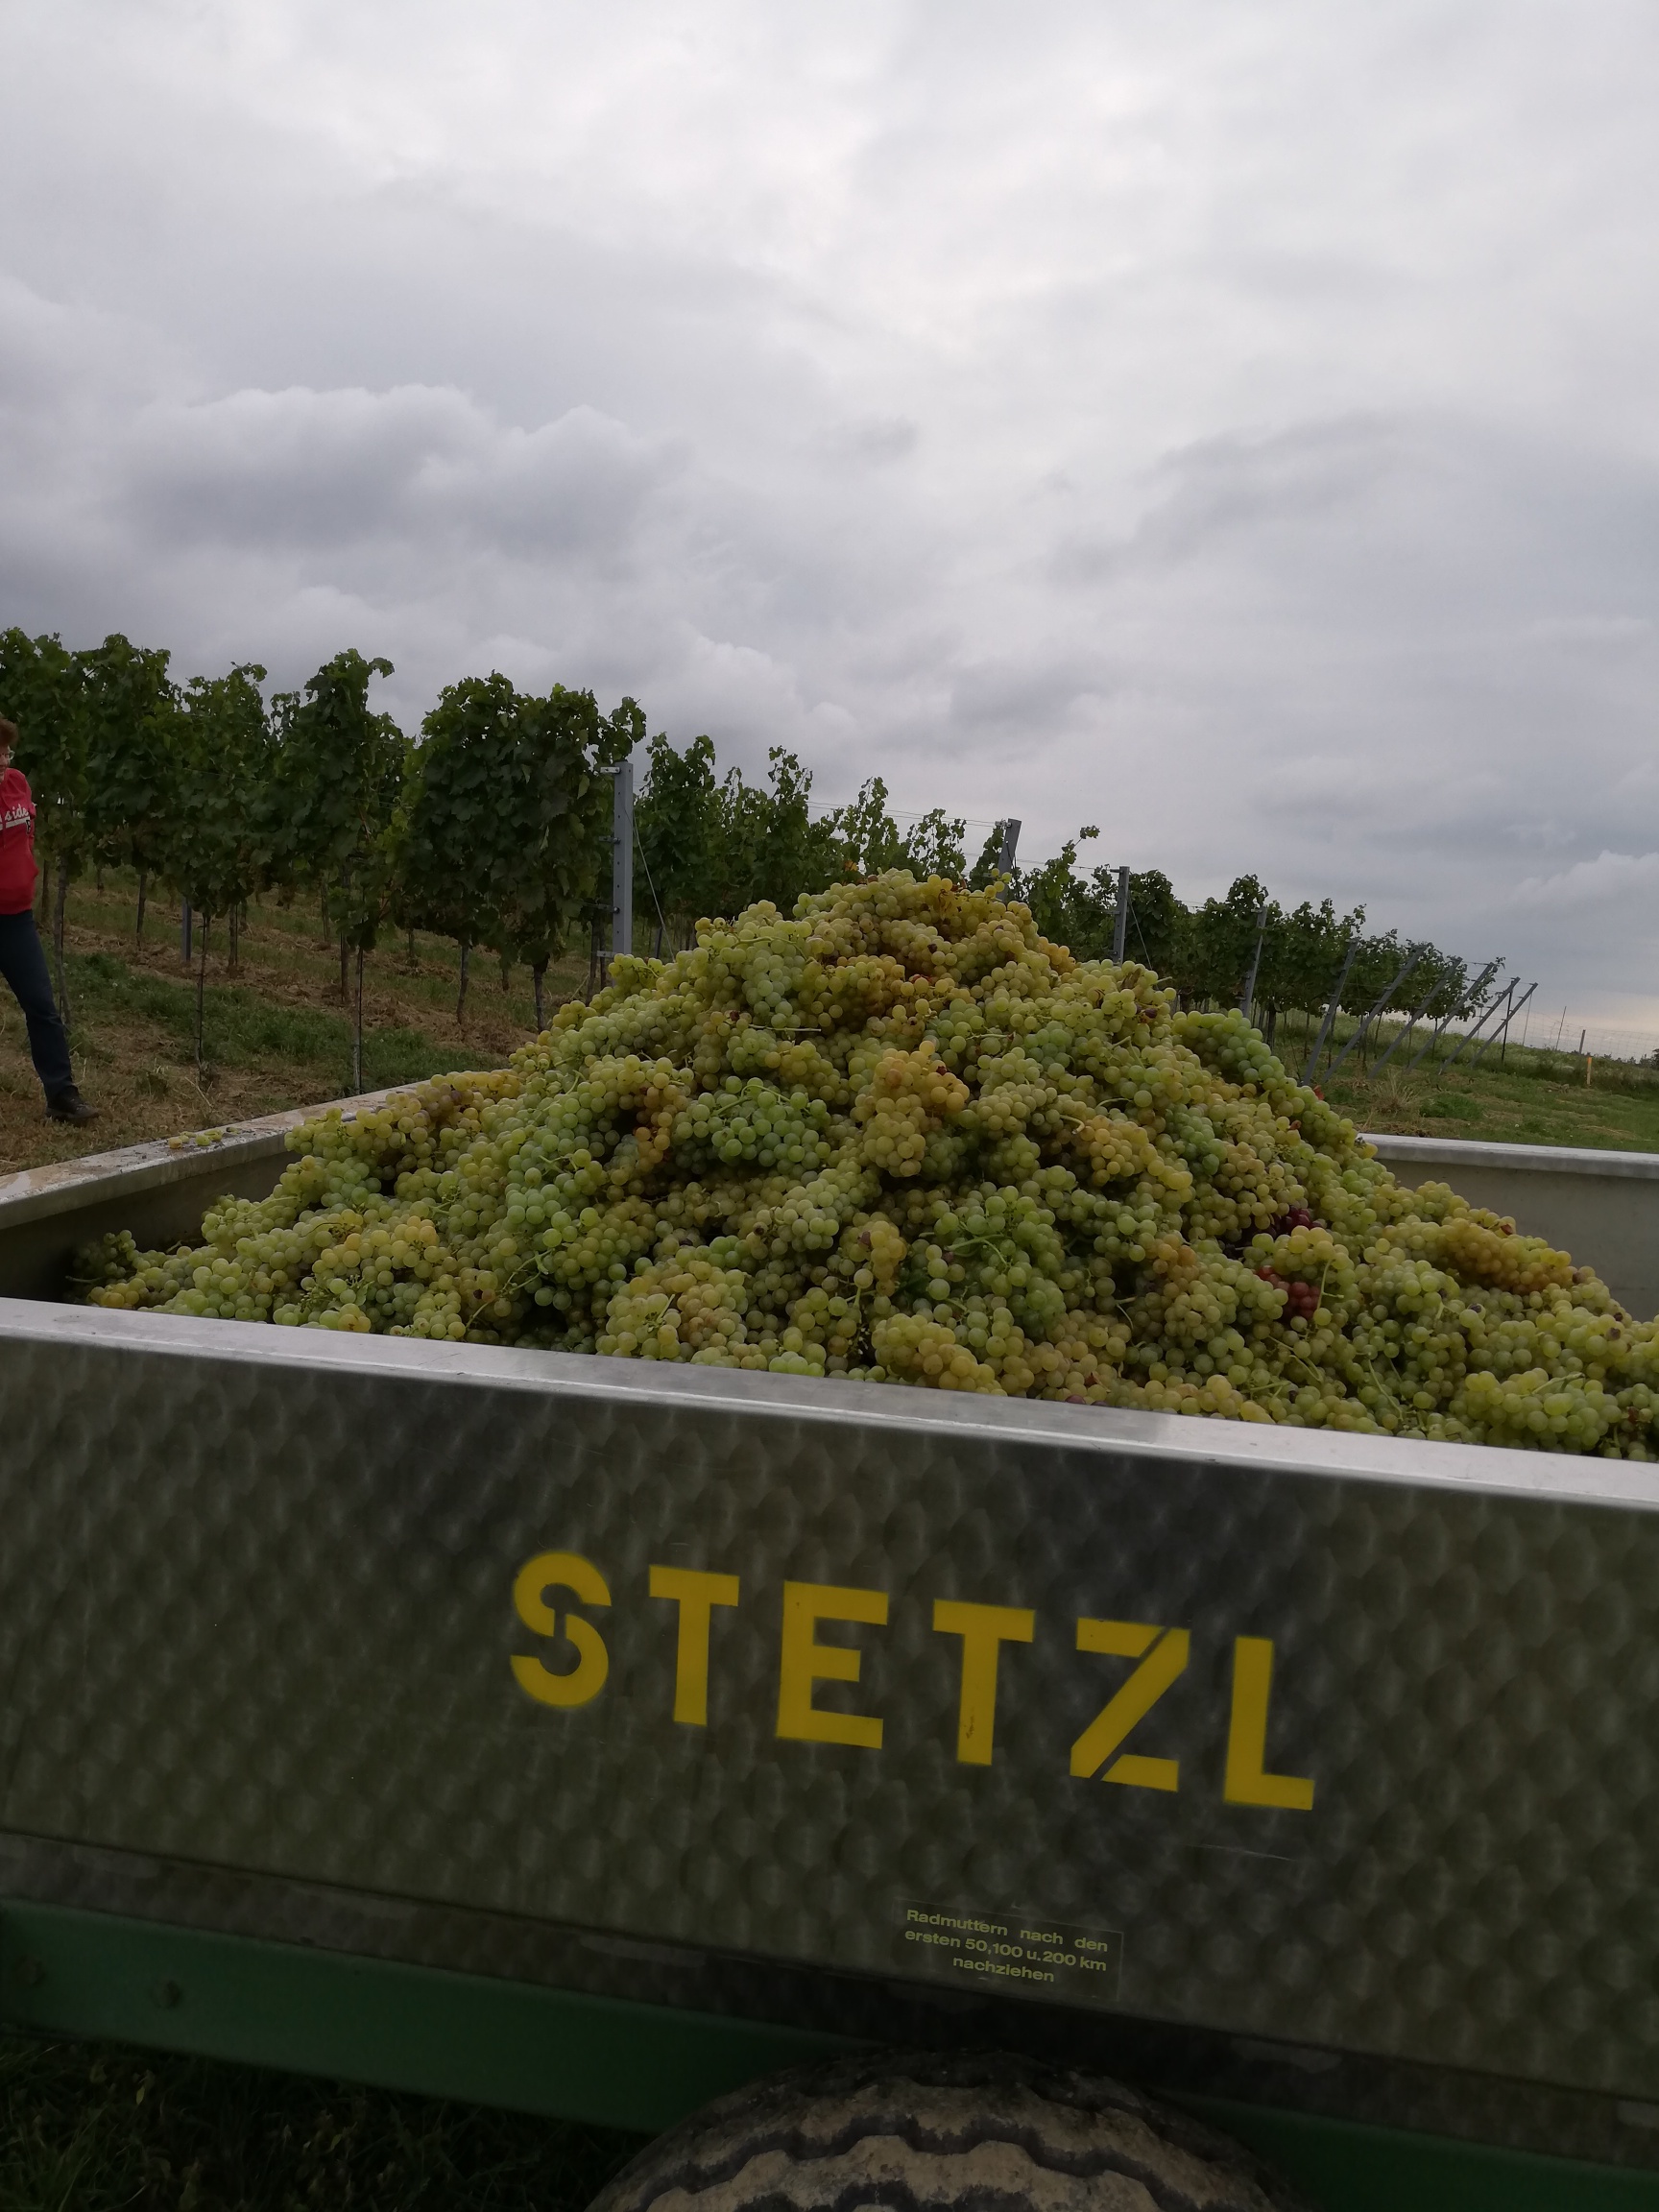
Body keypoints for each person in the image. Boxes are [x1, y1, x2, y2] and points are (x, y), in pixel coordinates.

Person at [0, 714, 98, 1123]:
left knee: (42, 1006)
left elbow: (26, 833)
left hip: (16, 920)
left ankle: (61, 1095)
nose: (4, 758)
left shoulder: (18, 783)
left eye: (7, 750)